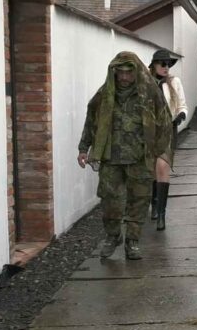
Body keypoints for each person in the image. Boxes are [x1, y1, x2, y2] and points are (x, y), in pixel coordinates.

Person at [77, 51, 172, 260]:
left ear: (136, 72)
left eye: (129, 72)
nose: (124, 77)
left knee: (139, 200)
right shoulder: (104, 95)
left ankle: (132, 241)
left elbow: (165, 122)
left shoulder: (149, 94)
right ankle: (113, 236)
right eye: (120, 72)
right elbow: (91, 121)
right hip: (111, 158)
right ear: (114, 72)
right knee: (110, 200)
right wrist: (84, 148)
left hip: (140, 158)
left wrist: (158, 151)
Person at [148, 49, 188, 231]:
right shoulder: (146, 83)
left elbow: (182, 105)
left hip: (167, 130)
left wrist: (180, 116)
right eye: (162, 64)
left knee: (162, 167)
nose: (166, 67)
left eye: (168, 64)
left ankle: (161, 214)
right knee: (152, 169)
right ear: (154, 65)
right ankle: (154, 201)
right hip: (149, 132)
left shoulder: (174, 82)